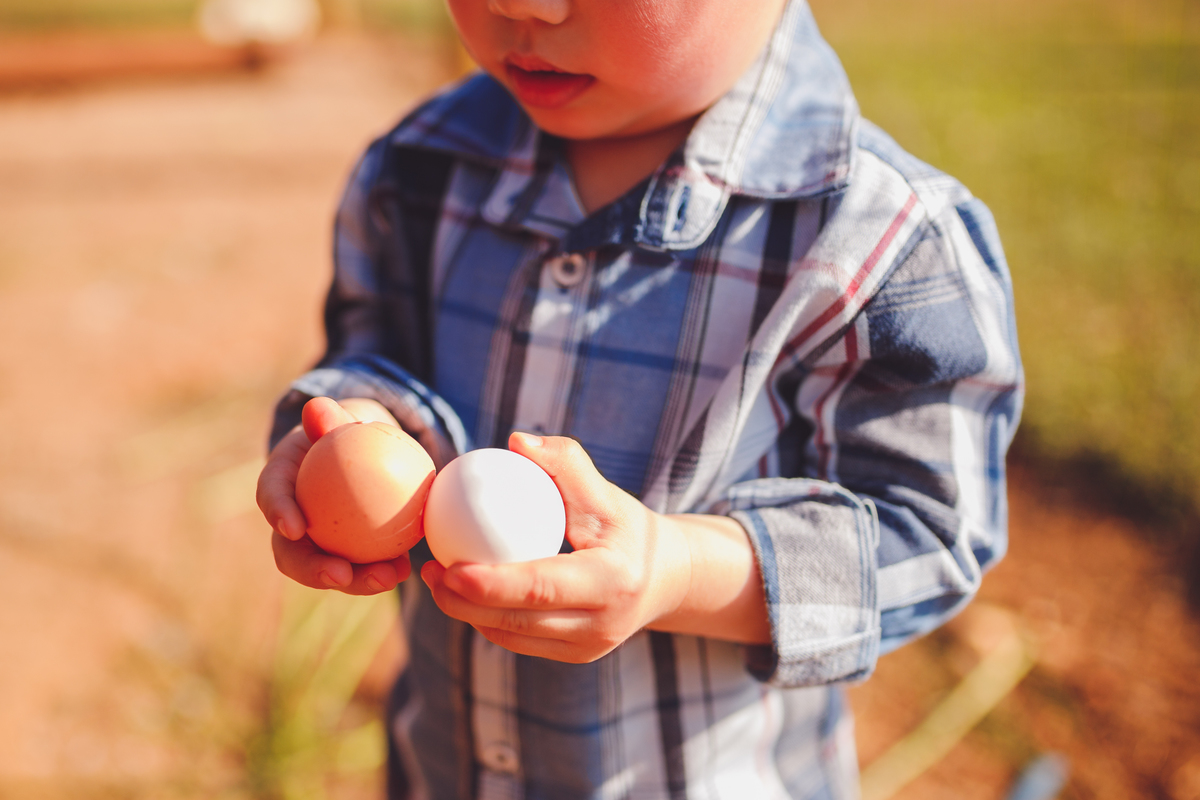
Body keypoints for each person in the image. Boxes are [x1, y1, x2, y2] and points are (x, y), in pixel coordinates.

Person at [256, 0, 1024, 796]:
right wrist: (352, 432)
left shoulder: (878, 237)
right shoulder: (417, 169)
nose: (522, 5)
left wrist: (678, 570)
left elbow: (927, 534)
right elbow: (368, 343)